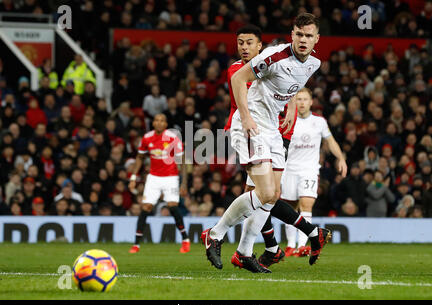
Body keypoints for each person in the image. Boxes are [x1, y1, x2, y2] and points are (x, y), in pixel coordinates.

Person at [202, 13, 331, 272]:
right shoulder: (274, 55)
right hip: (250, 125)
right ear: (291, 35)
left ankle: (244, 253)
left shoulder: (313, 64)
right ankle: (214, 234)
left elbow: (290, 88)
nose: (303, 40)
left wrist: (292, 108)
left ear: (316, 39)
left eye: (308, 36)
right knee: (263, 193)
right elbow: (239, 79)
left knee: (271, 197)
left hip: (272, 128)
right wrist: (247, 117)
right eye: (299, 34)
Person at [223, 25, 298, 270]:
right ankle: (220, 237)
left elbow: (288, 83)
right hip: (250, 133)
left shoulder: (272, 65)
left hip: (271, 135)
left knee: (262, 194)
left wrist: (293, 105)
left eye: (249, 43)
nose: (244, 47)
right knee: (262, 193)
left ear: (259, 46)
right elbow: (253, 101)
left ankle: (266, 248)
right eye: (240, 43)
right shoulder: (236, 70)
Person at [282, 88, 347, 257]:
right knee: (290, 207)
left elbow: (330, 141)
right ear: (293, 102)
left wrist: (341, 158)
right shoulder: (289, 119)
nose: (301, 102)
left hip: (309, 170)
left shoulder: (319, 122)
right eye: (298, 99)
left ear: (311, 102)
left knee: (306, 204)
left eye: (304, 99)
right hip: (288, 169)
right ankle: (290, 246)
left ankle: (302, 246)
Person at [128, 113, 190, 254]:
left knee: (172, 206)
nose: (159, 122)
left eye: (162, 120)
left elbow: (183, 161)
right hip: (153, 177)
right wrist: (133, 177)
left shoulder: (173, 138)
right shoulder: (147, 138)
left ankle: (185, 240)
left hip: (171, 177)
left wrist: (184, 183)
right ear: (153, 123)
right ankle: (136, 244)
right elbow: (139, 157)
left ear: (166, 124)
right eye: (157, 120)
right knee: (146, 207)